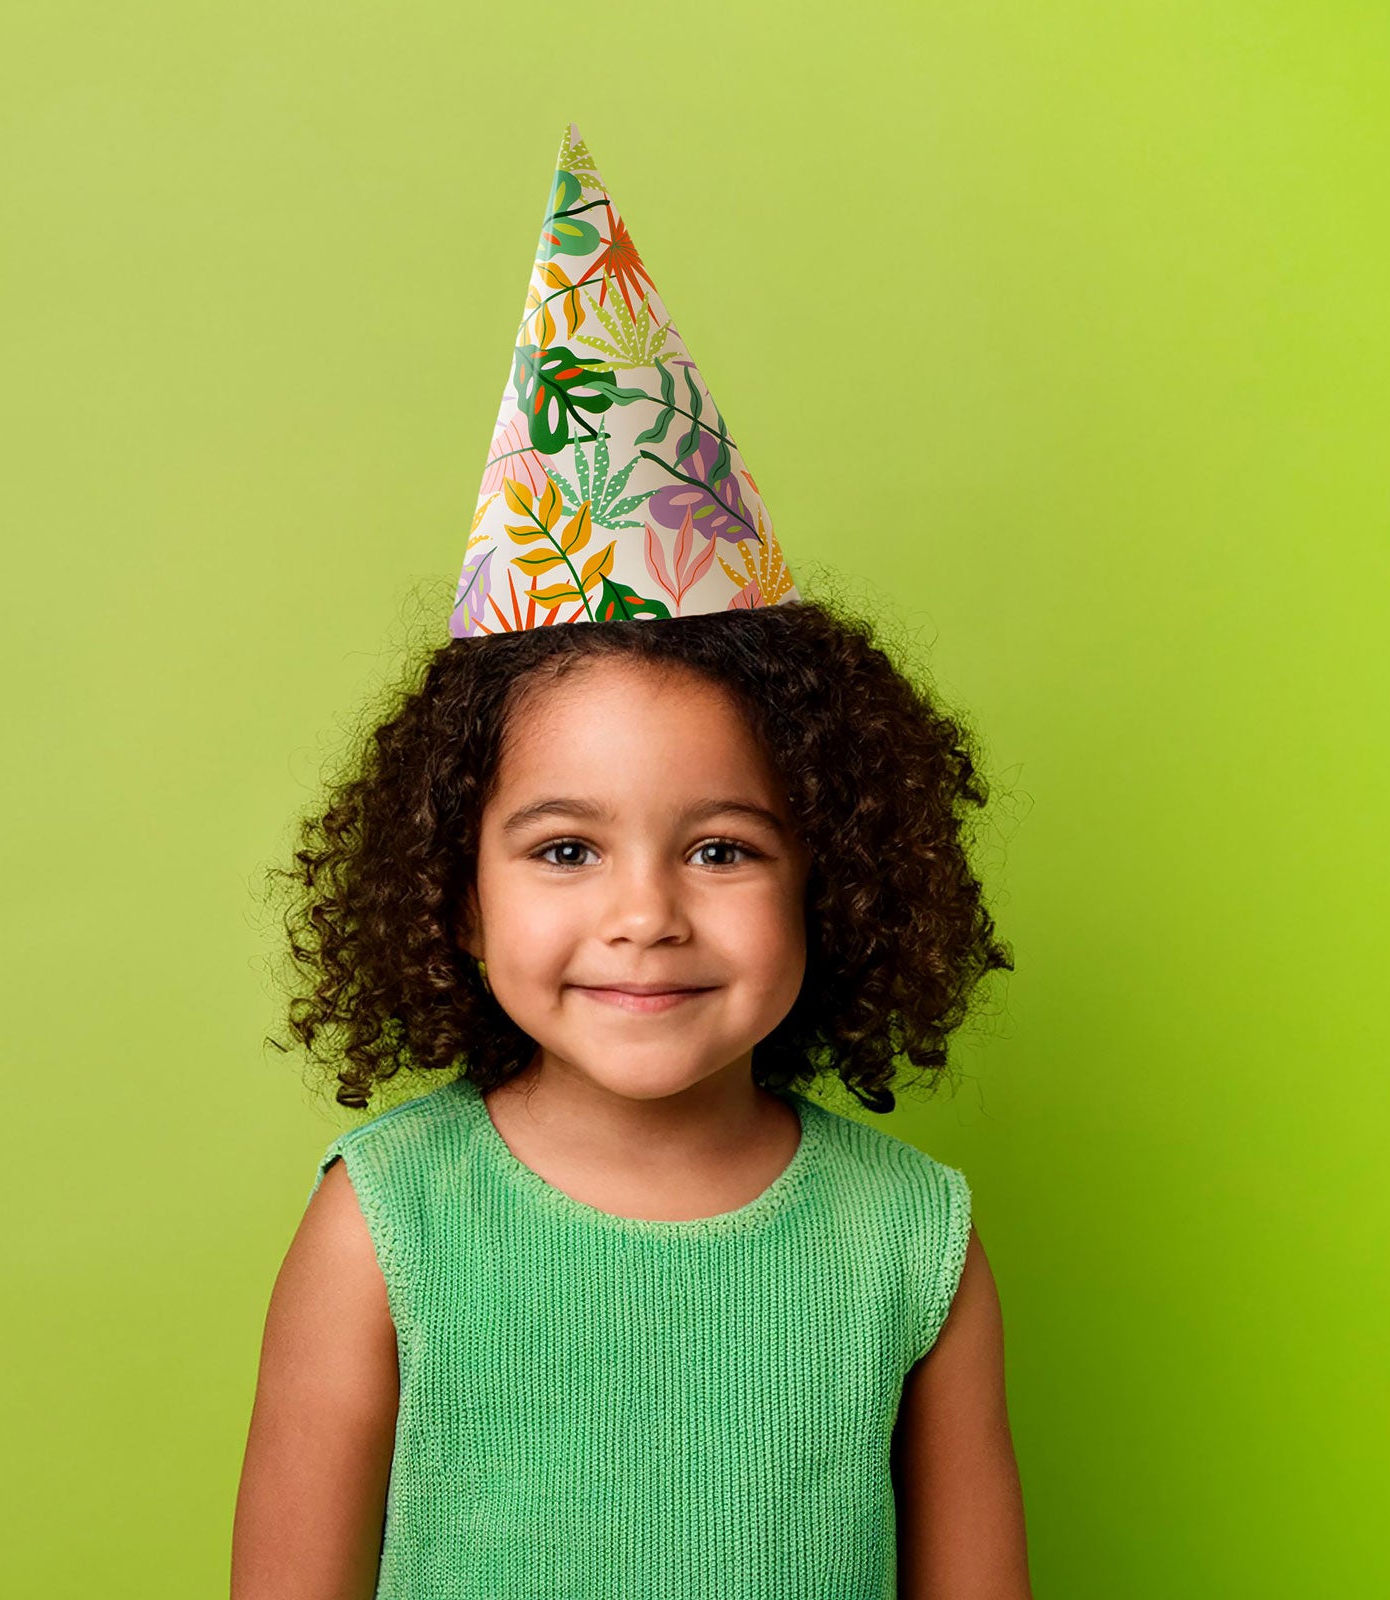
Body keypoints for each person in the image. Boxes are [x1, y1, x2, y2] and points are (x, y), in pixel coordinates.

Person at [232, 124, 1032, 1600]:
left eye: (722, 847)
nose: (645, 916)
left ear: (835, 877)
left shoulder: (913, 1241)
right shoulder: (387, 1222)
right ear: (456, 893)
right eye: (565, 848)